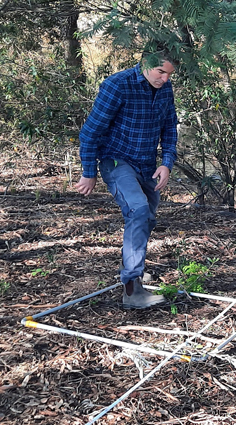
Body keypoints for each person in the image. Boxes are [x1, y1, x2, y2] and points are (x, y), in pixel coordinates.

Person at [74, 52, 179, 309]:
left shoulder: (165, 89)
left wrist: (166, 163)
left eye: (169, 74)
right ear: (145, 64)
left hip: (147, 165)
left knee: (148, 218)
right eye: (160, 72)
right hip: (116, 161)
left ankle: (130, 266)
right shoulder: (117, 84)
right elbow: (90, 132)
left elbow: (169, 128)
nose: (164, 79)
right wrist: (89, 172)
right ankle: (132, 289)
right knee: (138, 210)